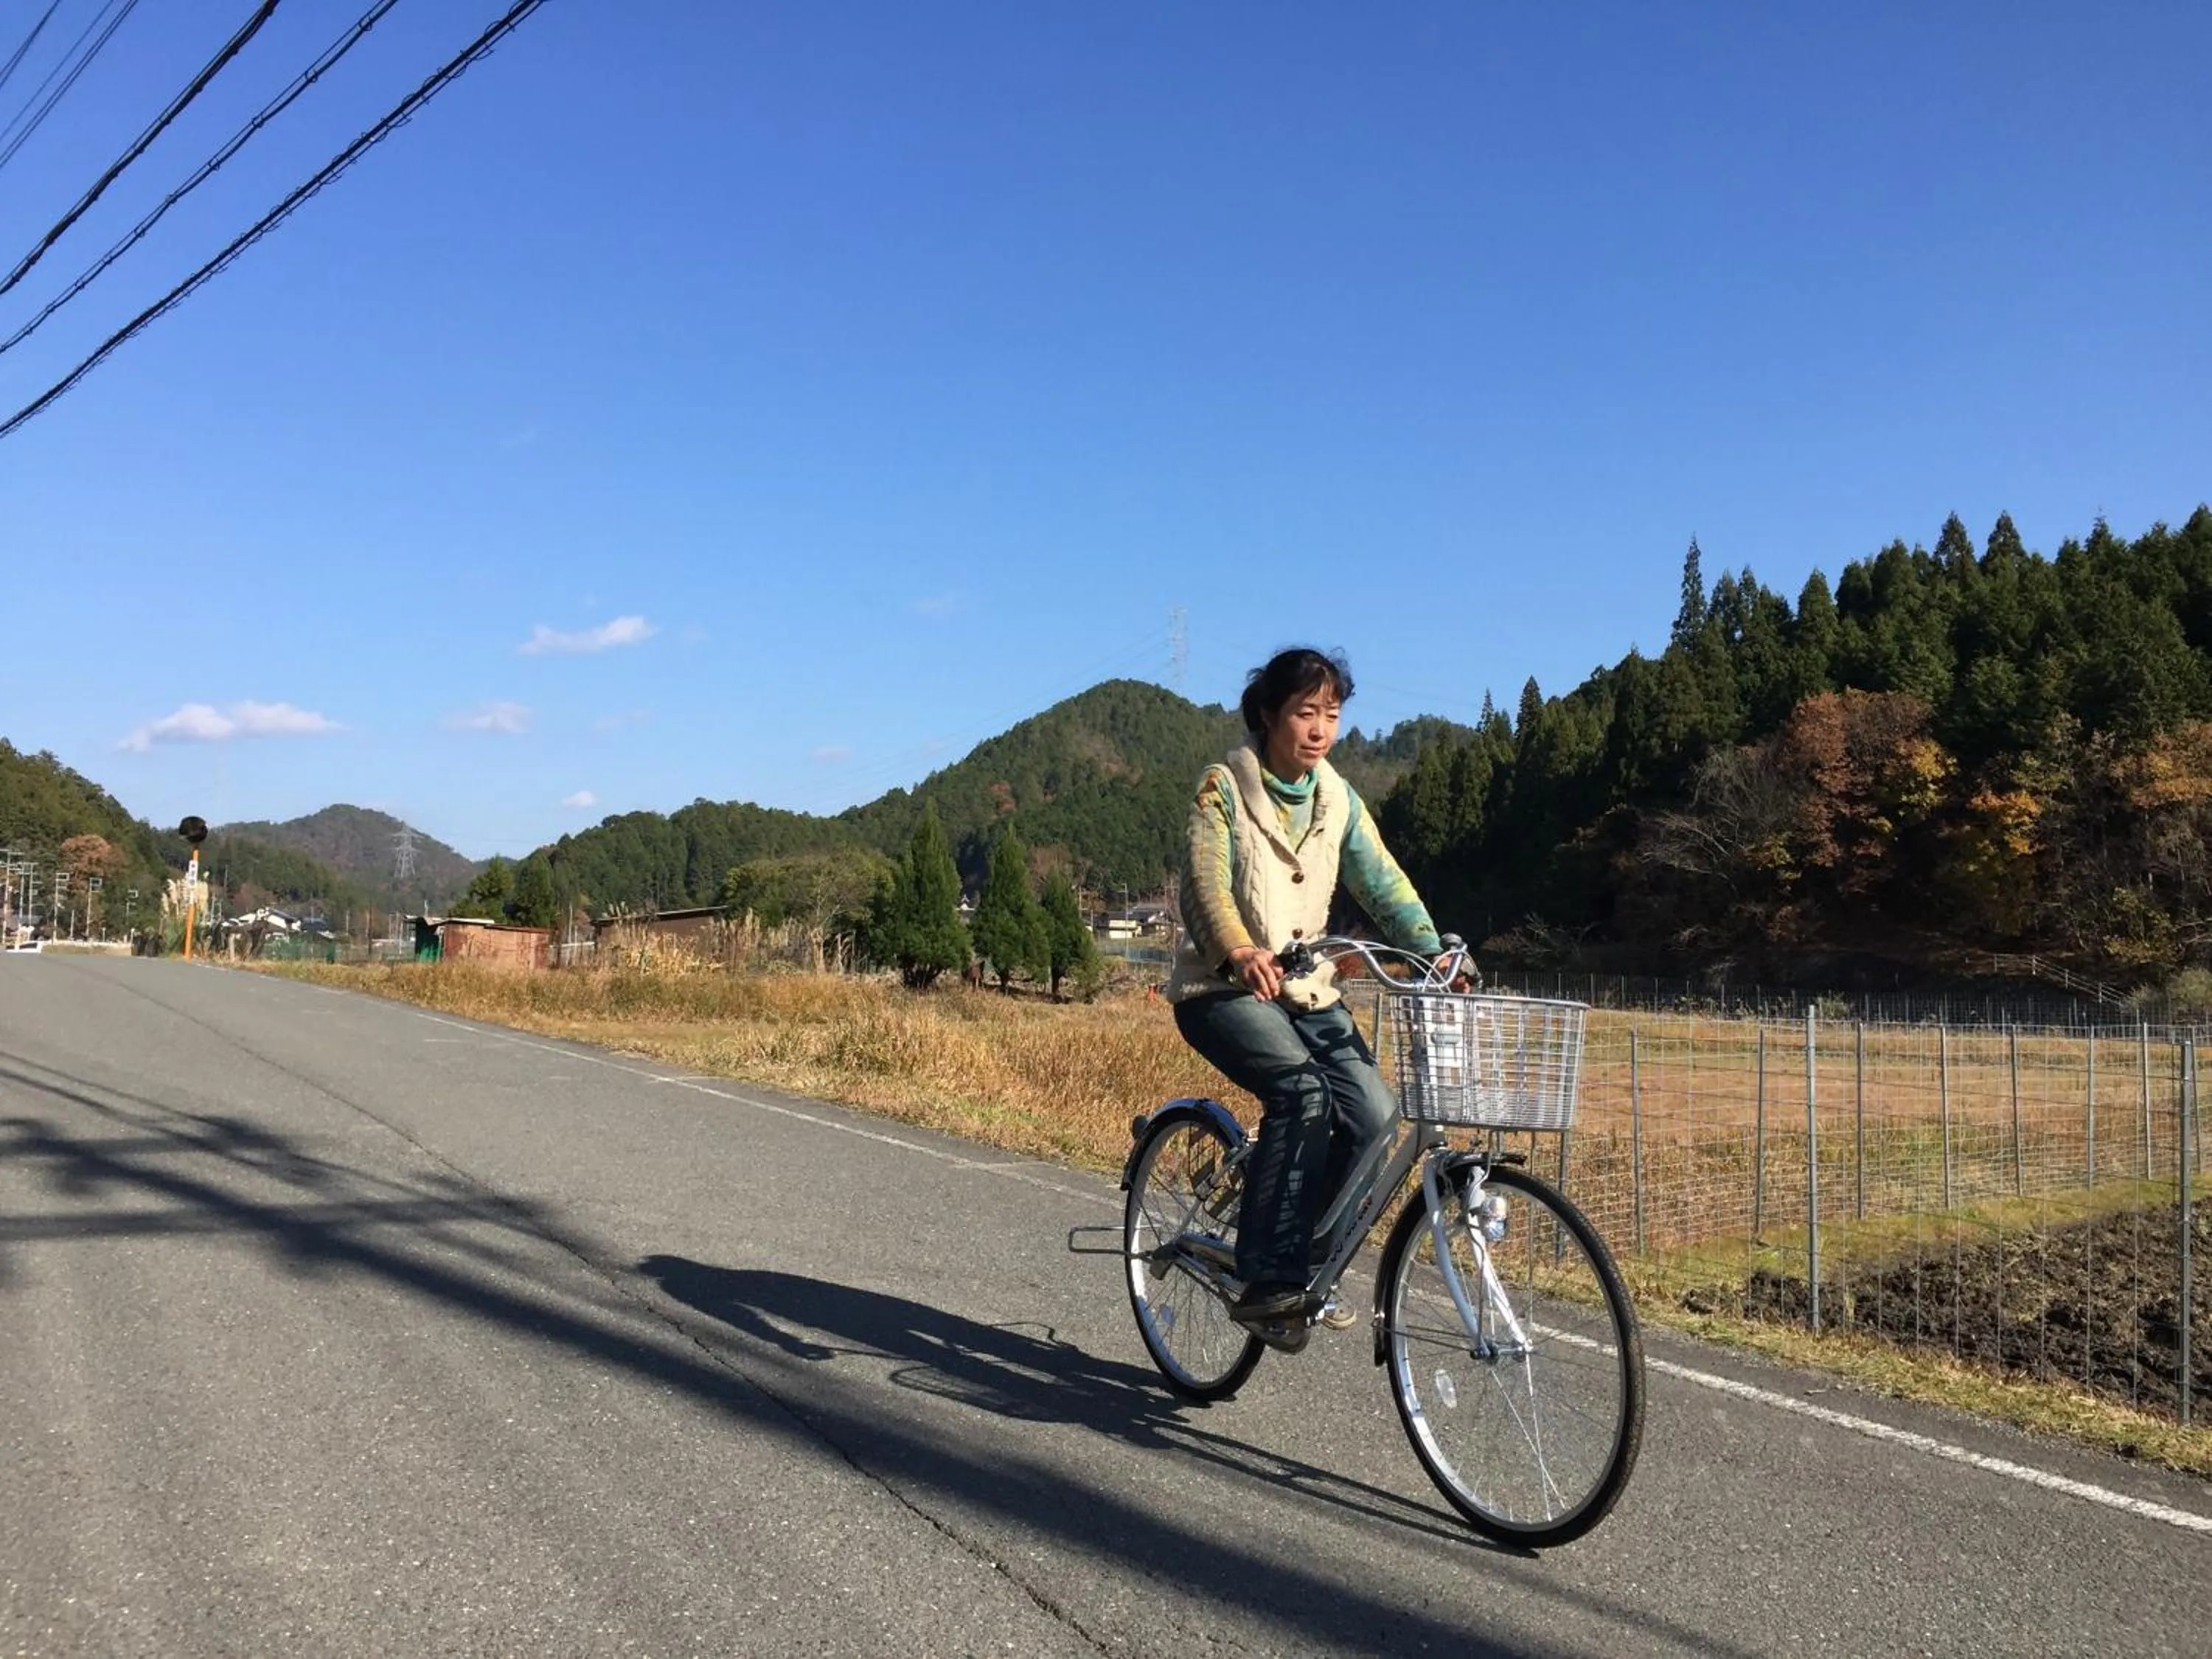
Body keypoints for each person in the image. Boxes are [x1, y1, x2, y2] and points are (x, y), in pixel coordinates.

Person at [1163, 646, 1457, 1346]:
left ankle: (1302, 1264)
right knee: (1303, 1093)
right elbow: (1203, 883)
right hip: (1222, 986)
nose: (1321, 728)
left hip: (1306, 989)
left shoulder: (1337, 796)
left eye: (1332, 713)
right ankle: (1268, 1277)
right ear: (1270, 714)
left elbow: (1382, 882)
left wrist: (1432, 950)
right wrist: (1237, 949)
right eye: (1306, 711)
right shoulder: (1224, 786)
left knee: (1378, 1116)